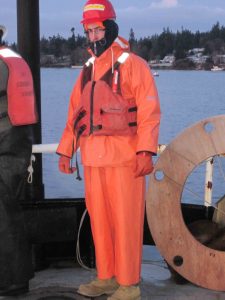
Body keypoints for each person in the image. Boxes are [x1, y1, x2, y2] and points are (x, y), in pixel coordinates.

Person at [57, 0, 161, 299]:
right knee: (100, 221)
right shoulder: (87, 70)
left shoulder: (134, 65)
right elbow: (75, 113)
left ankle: (129, 284)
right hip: (92, 159)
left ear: (111, 28)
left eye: (97, 29)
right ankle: (106, 277)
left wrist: (145, 151)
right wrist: (67, 151)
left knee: (126, 223)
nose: (92, 36)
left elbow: (150, 112)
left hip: (125, 159)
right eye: (88, 31)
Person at [0, 25, 38, 296]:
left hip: (5, 139)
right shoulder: (13, 58)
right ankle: (16, 277)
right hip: (17, 138)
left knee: (3, 210)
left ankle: (13, 280)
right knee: (7, 207)